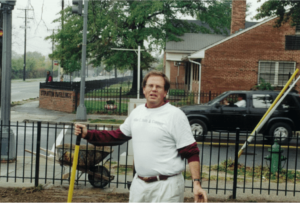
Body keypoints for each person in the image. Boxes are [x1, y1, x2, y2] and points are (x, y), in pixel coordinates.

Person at [74, 71, 207, 203]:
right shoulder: (137, 113)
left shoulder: (175, 115)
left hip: (167, 186)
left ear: (165, 92)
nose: (153, 89)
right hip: (140, 184)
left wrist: (196, 183)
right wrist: (88, 134)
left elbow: (191, 151)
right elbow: (116, 136)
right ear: (144, 89)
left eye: (158, 87)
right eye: (150, 85)